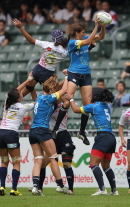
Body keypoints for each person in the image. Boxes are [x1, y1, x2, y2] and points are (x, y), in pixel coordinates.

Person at [52, 17, 105, 145]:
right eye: (82, 32)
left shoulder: (85, 38)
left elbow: (101, 37)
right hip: (74, 73)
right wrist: (96, 26)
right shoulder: (72, 43)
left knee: (87, 106)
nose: (84, 33)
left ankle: (81, 132)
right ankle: (55, 129)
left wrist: (103, 25)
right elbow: (87, 41)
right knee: (67, 101)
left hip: (86, 74)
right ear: (77, 33)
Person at [66, 88, 119, 196]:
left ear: (94, 97)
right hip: (111, 137)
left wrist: (71, 99)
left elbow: (75, 110)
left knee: (93, 164)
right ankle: (114, 191)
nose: (89, 96)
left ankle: (102, 189)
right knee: (106, 166)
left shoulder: (94, 106)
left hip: (103, 136)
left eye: (91, 95)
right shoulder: (106, 106)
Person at [29, 75, 69, 196]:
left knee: (38, 160)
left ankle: (36, 187)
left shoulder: (40, 96)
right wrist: (67, 77)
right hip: (42, 130)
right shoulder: (48, 98)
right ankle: (60, 185)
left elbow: (57, 89)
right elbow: (63, 90)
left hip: (32, 131)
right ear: (51, 90)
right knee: (53, 157)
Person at [0, 74, 35, 196]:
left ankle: (2, 187)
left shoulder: (7, 102)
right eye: (20, 94)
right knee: (16, 162)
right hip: (11, 134)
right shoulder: (23, 107)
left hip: (0, 133)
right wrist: (32, 87)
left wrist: (27, 81)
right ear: (18, 98)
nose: (22, 93)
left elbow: (15, 91)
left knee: (3, 161)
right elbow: (36, 102)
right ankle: (14, 189)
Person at [12, 19, 69, 97]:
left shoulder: (46, 44)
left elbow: (30, 39)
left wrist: (20, 27)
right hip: (48, 75)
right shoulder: (64, 52)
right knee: (54, 95)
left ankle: (12, 102)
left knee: (27, 89)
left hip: (38, 70)